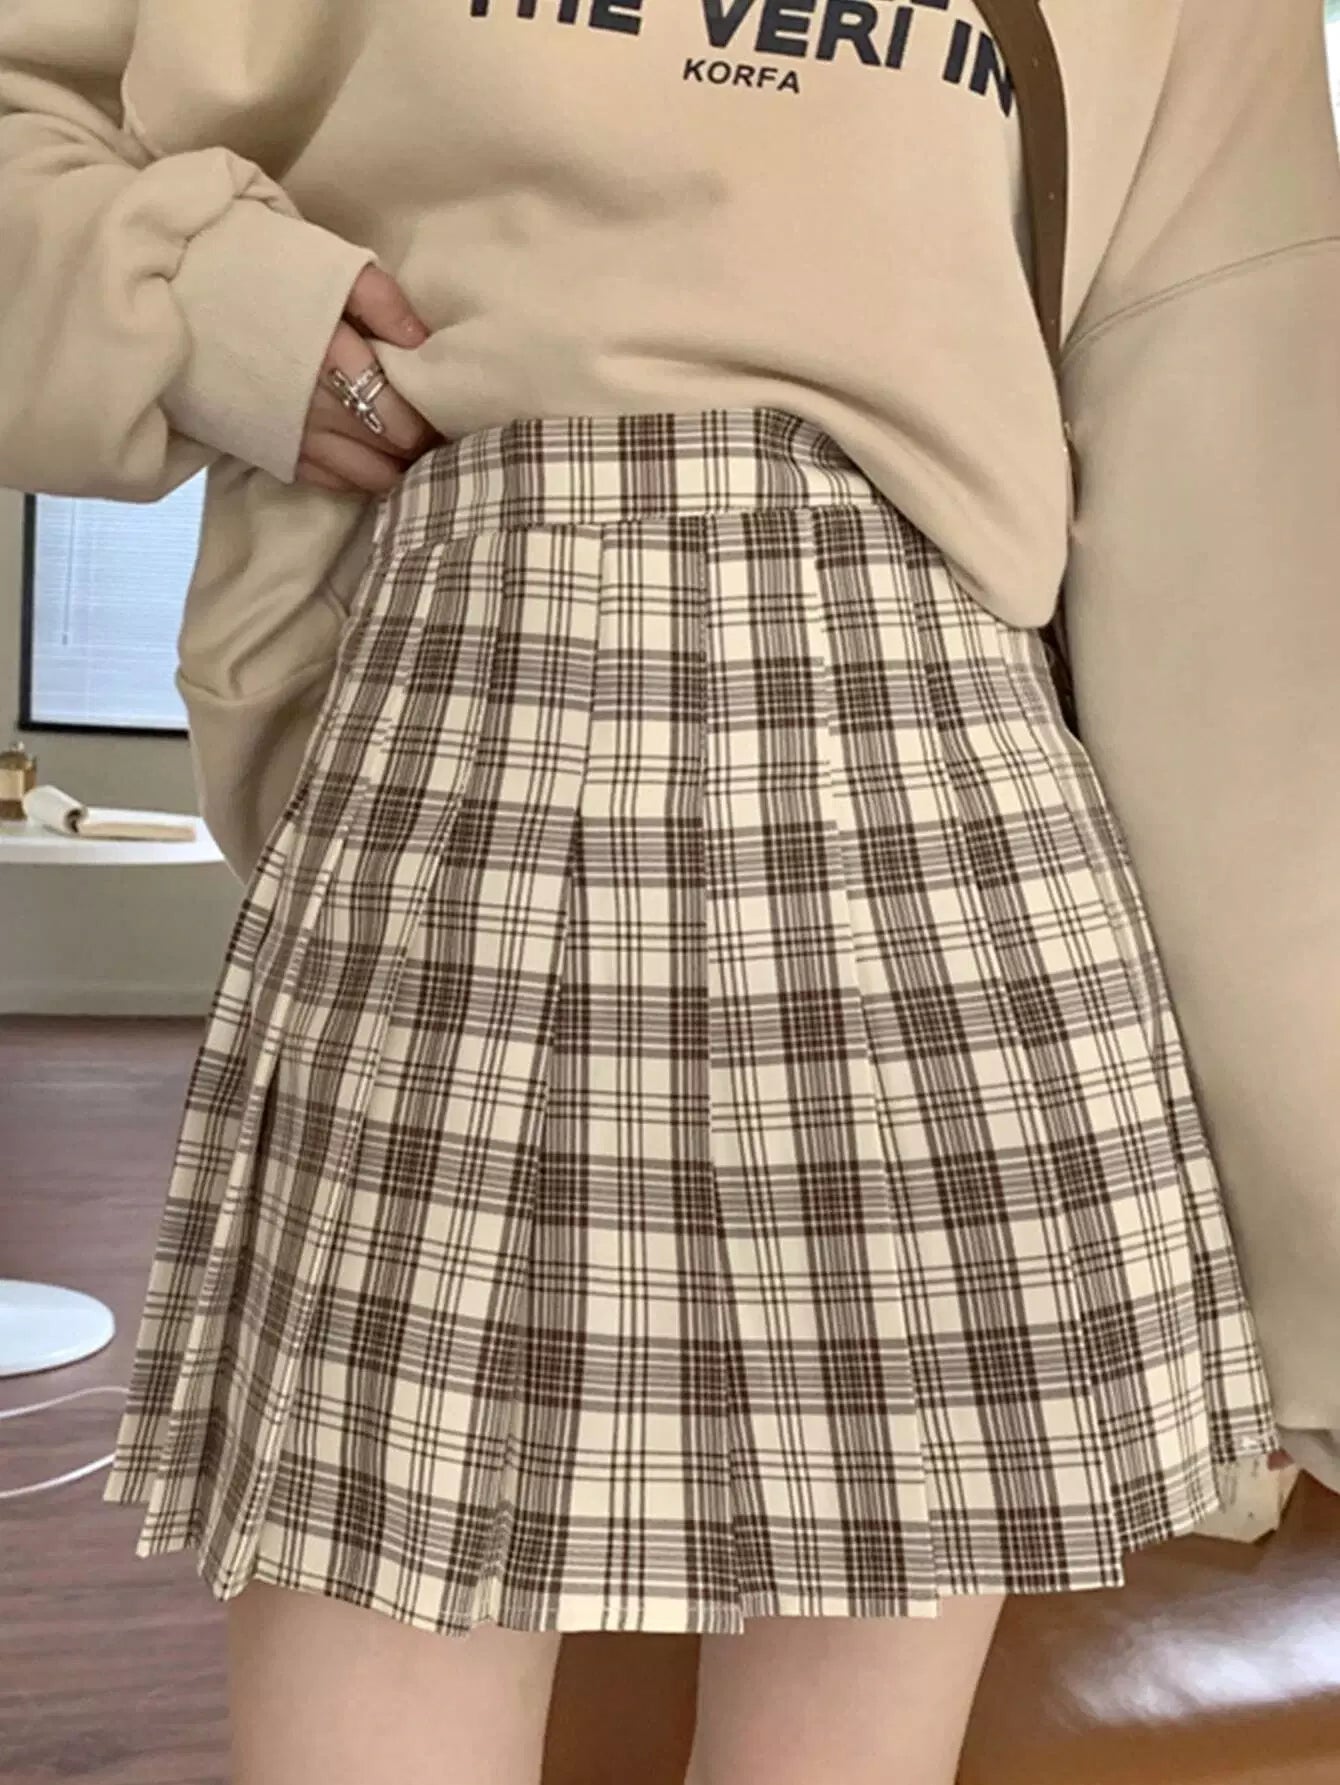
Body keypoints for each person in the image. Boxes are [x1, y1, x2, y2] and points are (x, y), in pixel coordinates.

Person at [1, 2, 1337, 1782]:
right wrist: (210, 303)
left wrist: (1312, 1262)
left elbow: (1235, 536)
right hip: (464, 750)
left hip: (953, 821)